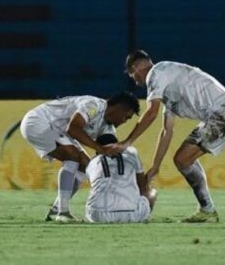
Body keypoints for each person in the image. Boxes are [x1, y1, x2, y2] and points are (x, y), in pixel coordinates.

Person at [106, 50, 225, 223]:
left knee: (183, 159)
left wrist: (127, 142)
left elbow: (151, 112)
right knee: (183, 159)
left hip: (223, 111)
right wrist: (155, 167)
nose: (135, 81)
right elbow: (166, 131)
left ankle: (207, 210)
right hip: (223, 111)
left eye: (133, 75)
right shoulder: (169, 86)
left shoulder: (157, 73)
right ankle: (207, 210)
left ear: (135, 68)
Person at [20, 92, 140, 222]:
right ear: (121, 108)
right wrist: (99, 148)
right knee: (72, 155)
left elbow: (104, 155)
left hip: (57, 130)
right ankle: (63, 212)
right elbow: (74, 128)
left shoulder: (108, 129)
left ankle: (56, 209)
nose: (124, 122)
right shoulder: (94, 106)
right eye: (126, 117)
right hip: (38, 121)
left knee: (86, 166)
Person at [84, 133, 157, 224]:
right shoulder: (132, 153)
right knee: (152, 192)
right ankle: (145, 215)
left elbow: (94, 187)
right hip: (132, 214)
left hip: (98, 215)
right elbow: (142, 187)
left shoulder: (92, 162)